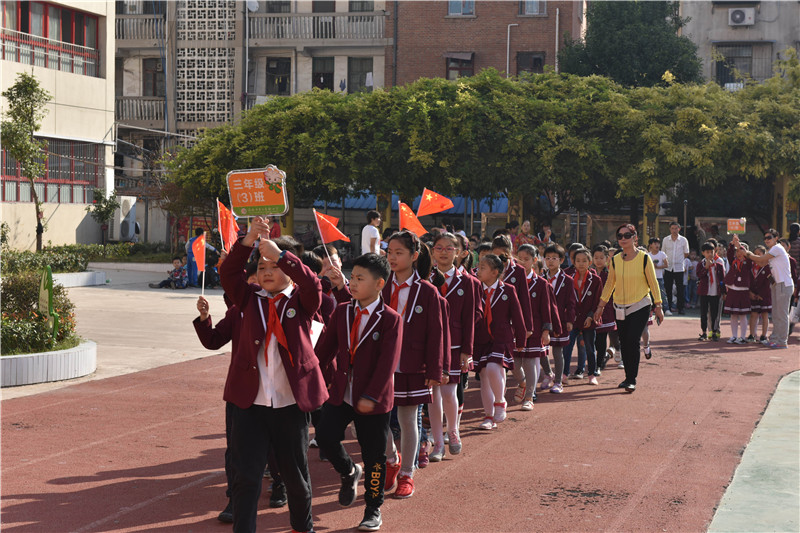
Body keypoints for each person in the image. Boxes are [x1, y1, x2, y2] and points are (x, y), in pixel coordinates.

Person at [219, 217, 328, 533]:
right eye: (262, 267)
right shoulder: (248, 298)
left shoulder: (301, 300)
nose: (267, 272)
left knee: (295, 476)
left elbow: (312, 284)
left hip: (289, 404)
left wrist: (281, 255)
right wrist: (248, 241)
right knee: (247, 476)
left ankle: (302, 526)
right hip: (249, 404)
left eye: (274, 267)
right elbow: (228, 273)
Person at [314, 253, 402, 532]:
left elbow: (387, 363)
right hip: (342, 393)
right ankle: (348, 471)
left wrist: (372, 395)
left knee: (374, 456)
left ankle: (373, 508)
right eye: (352, 277)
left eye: (360, 279)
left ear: (379, 284)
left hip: (373, 401)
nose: (352, 283)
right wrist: (310, 377)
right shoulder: (342, 311)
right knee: (325, 438)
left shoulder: (390, 319)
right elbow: (323, 351)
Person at [193, 260, 258, 524]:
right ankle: (235, 498)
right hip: (240, 392)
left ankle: (280, 485)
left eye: (266, 276)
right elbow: (213, 340)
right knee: (236, 450)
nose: (257, 284)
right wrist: (205, 318)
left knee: (277, 452)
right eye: (252, 280)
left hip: (277, 395)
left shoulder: (287, 309)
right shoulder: (237, 311)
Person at [594, 224, 664, 393]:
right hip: (620, 306)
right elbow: (610, 283)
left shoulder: (644, 258)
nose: (623, 239)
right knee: (624, 342)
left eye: (627, 235)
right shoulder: (616, 260)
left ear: (635, 237)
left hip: (640, 304)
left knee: (632, 340)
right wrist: (600, 306)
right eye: (620, 236)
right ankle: (627, 377)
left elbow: (653, 283)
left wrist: (658, 306)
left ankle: (632, 379)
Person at [428, 233, 477, 459]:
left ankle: (453, 431)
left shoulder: (467, 282)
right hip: (430, 344)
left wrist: (467, 351)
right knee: (433, 394)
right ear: (432, 252)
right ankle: (437, 442)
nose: (444, 252)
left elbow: (469, 318)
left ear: (458, 252)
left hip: (455, 345)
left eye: (449, 248)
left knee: (449, 392)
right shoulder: (425, 279)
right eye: (439, 248)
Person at [473, 253, 527, 429]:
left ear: (495, 272)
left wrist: (521, 339)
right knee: (484, 376)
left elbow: (518, 316)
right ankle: (488, 416)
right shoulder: (474, 288)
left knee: (493, 367)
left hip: (502, 338)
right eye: (478, 267)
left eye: (482, 268)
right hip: (481, 338)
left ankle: (500, 402)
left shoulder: (508, 290)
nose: (478, 271)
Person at [513, 244, 554, 409]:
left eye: (526, 259)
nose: (522, 262)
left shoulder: (541, 283)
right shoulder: (511, 279)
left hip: (535, 329)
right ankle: (522, 383)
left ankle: (529, 396)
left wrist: (546, 330)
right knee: (514, 362)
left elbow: (546, 309)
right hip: (515, 327)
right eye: (519, 258)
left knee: (531, 362)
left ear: (535, 260)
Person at [744, 229, 794, 348]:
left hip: (783, 284)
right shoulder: (772, 250)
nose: (766, 240)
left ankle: (782, 341)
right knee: (776, 314)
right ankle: (775, 338)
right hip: (777, 284)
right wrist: (745, 251)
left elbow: (760, 260)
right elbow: (761, 264)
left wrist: (747, 253)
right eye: (765, 238)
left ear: (776, 238)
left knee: (781, 314)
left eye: (769, 237)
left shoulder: (777, 248)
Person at [563, 248, 603, 384]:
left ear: (590, 262)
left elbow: (597, 301)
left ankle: (592, 374)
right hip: (572, 319)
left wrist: (591, 316)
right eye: (578, 261)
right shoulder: (568, 279)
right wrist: (568, 317)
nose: (581, 264)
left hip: (588, 319)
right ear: (573, 262)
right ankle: (564, 374)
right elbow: (566, 300)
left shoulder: (596, 280)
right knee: (567, 347)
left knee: (590, 348)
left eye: (584, 261)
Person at [542, 244, 575, 394]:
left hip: (560, 320)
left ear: (561, 260)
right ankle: (548, 373)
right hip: (542, 320)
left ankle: (558, 382)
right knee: (541, 351)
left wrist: (569, 320)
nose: (550, 261)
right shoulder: (540, 278)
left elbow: (571, 302)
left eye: (554, 258)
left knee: (557, 351)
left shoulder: (567, 280)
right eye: (547, 258)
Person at [592, 245, 620, 369]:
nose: (598, 260)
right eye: (596, 257)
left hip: (607, 310)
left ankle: (599, 365)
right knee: (593, 340)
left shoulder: (610, 274)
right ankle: (598, 360)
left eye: (601, 257)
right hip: (592, 310)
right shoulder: (589, 273)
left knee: (603, 337)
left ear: (607, 258)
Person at [723, 236, 753, 344]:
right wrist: (732, 244)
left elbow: (748, 258)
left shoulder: (748, 262)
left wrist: (739, 245)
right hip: (732, 288)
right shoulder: (733, 261)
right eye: (737, 251)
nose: (739, 253)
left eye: (742, 251)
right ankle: (734, 336)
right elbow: (729, 254)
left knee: (743, 314)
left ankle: (743, 337)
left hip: (743, 290)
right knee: (733, 314)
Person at [696, 242, 725, 341]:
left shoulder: (719, 266)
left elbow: (722, 280)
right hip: (704, 292)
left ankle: (714, 331)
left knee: (714, 313)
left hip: (715, 292)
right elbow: (699, 275)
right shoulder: (701, 264)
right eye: (707, 252)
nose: (709, 254)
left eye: (711, 252)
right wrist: (706, 268)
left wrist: (723, 292)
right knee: (703, 313)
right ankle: (704, 332)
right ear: (703, 253)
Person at [662, 222, 690, 315]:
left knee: (680, 288)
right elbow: (663, 253)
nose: (674, 230)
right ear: (670, 229)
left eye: (676, 228)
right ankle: (668, 307)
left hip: (679, 267)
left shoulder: (683, 240)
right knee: (668, 288)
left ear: (679, 229)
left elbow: (686, 253)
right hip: (668, 267)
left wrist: (679, 259)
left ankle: (680, 308)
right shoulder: (666, 239)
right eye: (672, 228)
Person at [748, 245, 771, 343]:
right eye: (755, 254)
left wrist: (762, 294)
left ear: (764, 255)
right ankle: (752, 334)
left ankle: (764, 335)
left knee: (765, 315)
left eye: (759, 254)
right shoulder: (751, 267)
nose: (757, 256)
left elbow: (769, 282)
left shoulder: (768, 267)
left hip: (764, 295)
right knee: (753, 314)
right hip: (753, 294)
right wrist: (750, 292)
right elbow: (748, 281)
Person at [647, 238, 669, 315]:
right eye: (655, 244)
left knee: (662, 293)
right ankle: (651, 309)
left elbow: (666, 265)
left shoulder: (662, 254)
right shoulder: (648, 255)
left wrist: (657, 267)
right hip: (650, 278)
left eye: (658, 244)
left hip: (659, 277)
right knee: (649, 294)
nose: (657, 245)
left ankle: (666, 309)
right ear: (650, 245)